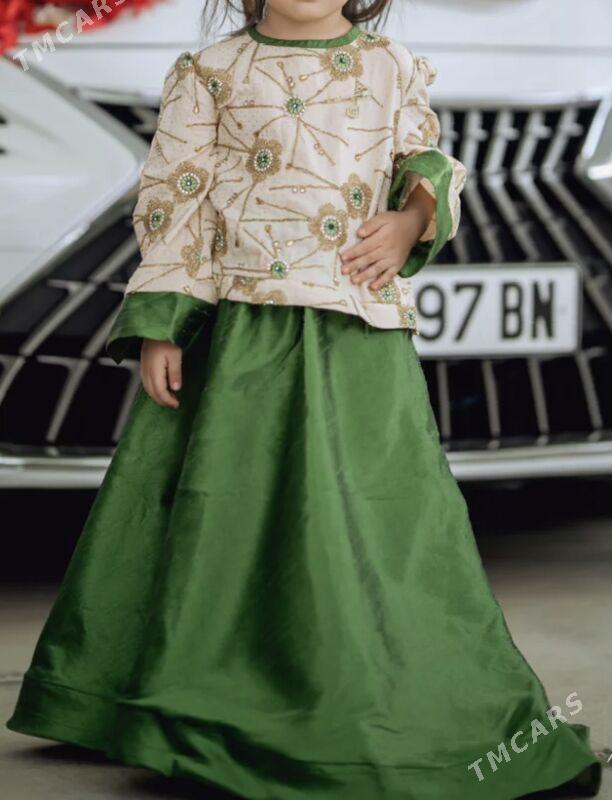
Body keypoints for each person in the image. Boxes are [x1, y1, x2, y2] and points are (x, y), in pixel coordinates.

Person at [6, 1, 602, 798]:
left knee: (374, 507)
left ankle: (360, 679)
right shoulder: (210, 72)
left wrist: (408, 223)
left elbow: (426, 164)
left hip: (358, 335)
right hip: (240, 336)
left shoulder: (391, 66)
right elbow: (176, 200)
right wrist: (161, 326)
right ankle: (192, 693)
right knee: (226, 502)